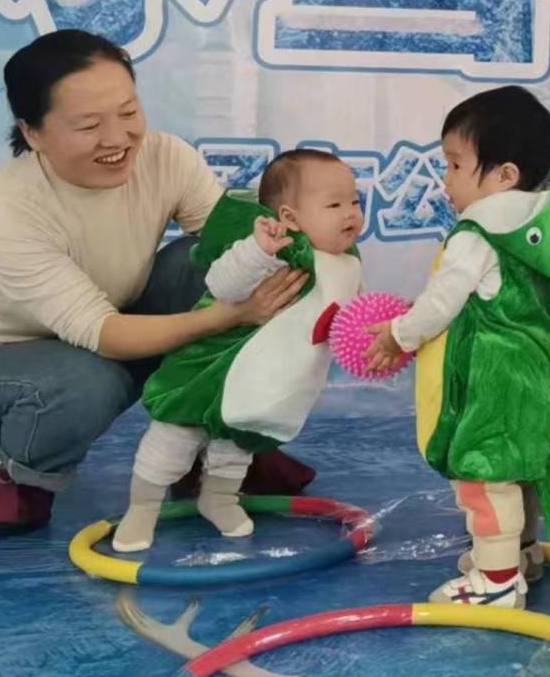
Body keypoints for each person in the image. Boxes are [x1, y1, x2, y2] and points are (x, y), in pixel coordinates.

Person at [0, 30, 313, 535]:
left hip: (111, 329)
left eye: (128, 112)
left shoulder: (165, 158)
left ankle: (216, 445)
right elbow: (104, 335)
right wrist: (230, 316)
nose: (117, 139)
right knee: (87, 382)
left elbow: (237, 240)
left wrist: (322, 252)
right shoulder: (6, 213)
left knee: (223, 263)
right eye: (89, 125)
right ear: (32, 132)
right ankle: (13, 472)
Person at [364, 86, 550, 646]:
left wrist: (397, 335)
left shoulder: (477, 233)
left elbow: (440, 304)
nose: (445, 181)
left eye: (455, 165)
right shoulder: (549, 216)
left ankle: (495, 583)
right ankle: (521, 555)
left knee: (484, 473)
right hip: (544, 377)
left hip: (499, 384)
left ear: (504, 174)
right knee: (529, 468)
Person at [114, 150, 364, 551]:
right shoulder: (275, 248)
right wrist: (258, 252)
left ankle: (219, 498)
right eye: (335, 205)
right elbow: (223, 285)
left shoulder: (346, 263)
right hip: (213, 369)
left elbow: (350, 316)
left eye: (354, 201)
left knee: (238, 441)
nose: (350, 213)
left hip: (266, 380)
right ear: (290, 217)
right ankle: (142, 509)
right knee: (175, 437)